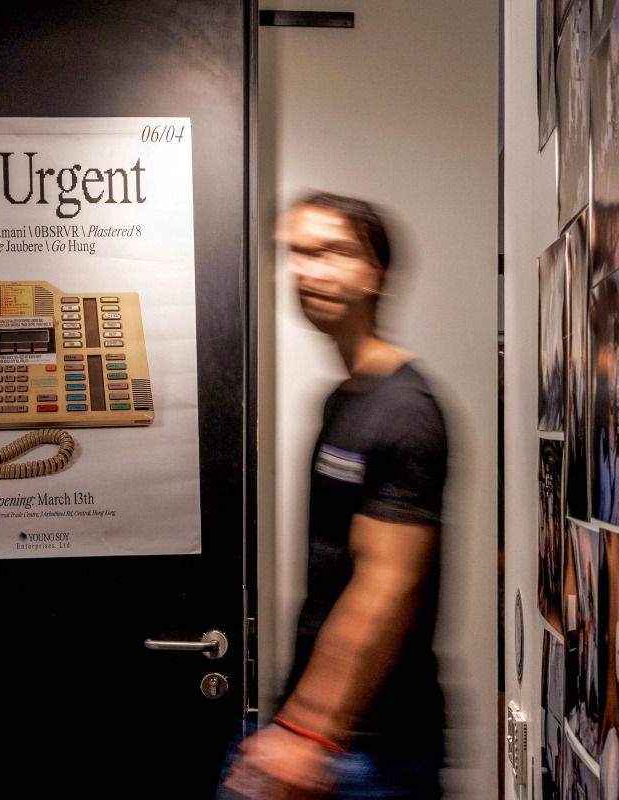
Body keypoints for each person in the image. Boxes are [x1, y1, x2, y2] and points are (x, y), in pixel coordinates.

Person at [221, 191, 449, 799]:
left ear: (377, 273)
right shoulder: (345, 397)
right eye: (296, 252)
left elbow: (388, 583)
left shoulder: (406, 410)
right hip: (335, 735)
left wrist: (308, 732)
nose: (307, 269)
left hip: (375, 745)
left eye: (332, 251)